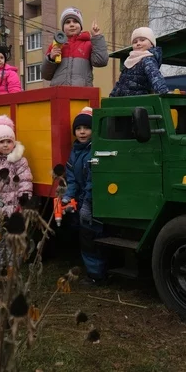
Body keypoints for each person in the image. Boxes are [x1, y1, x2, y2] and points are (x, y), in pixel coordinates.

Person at [62, 107, 107, 285]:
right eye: (78, 128)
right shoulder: (75, 151)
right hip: (82, 199)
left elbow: (93, 179)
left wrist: (88, 202)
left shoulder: (94, 150)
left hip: (94, 199)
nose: (82, 132)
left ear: (93, 130)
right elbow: (72, 179)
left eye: (86, 128)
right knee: (82, 234)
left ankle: (97, 276)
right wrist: (67, 197)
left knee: (91, 236)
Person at [0, 115, 33, 270]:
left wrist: (24, 198)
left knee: (12, 236)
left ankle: (12, 263)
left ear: (13, 143)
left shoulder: (19, 161)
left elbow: (25, 180)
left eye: (9, 141)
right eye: (1, 142)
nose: (5, 145)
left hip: (13, 205)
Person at [41, 7, 108, 87]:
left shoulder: (88, 44)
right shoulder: (56, 45)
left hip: (81, 93)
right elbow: (46, 75)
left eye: (75, 21)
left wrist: (97, 37)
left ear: (80, 26)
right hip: (59, 94)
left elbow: (101, 61)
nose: (72, 25)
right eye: (67, 22)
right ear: (63, 28)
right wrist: (51, 58)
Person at [110, 27, 168, 97]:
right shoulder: (129, 61)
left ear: (151, 44)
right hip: (126, 101)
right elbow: (120, 83)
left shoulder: (147, 60)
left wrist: (163, 92)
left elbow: (155, 77)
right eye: (135, 42)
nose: (138, 43)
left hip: (140, 102)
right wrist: (112, 96)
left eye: (142, 40)